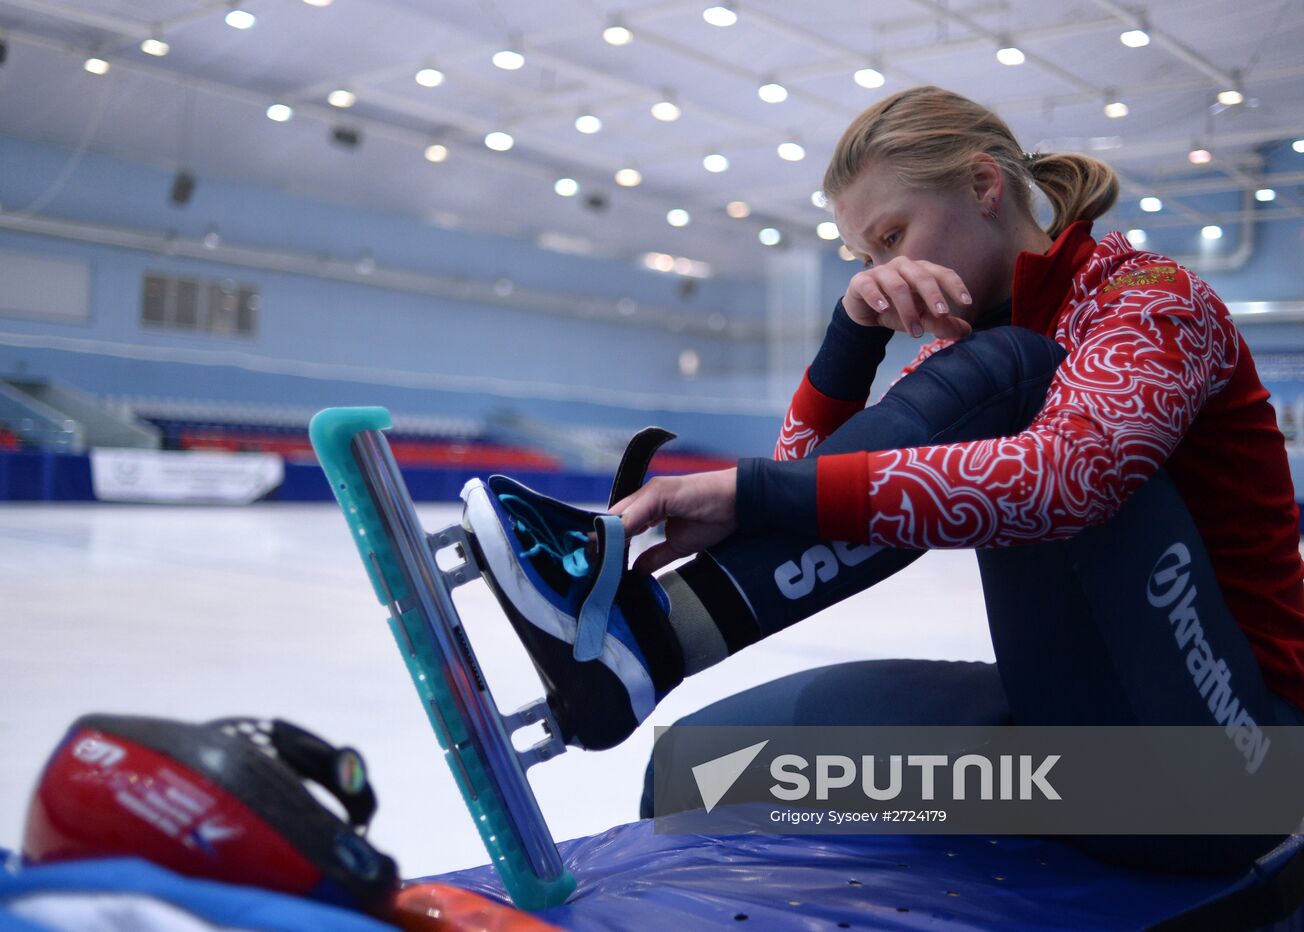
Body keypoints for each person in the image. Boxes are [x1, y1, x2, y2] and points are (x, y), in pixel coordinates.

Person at [461, 85, 1304, 872]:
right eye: (864, 256)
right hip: (1080, 756)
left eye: (892, 239)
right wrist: (850, 335)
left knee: (1013, 372)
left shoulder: (1151, 298)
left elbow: (1064, 480)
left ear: (983, 185)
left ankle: (654, 637)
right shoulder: (963, 353)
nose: (879, 273)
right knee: (700, 771)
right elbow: (822, 481)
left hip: (1231, 770)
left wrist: (745, 491)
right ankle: (648, 646)